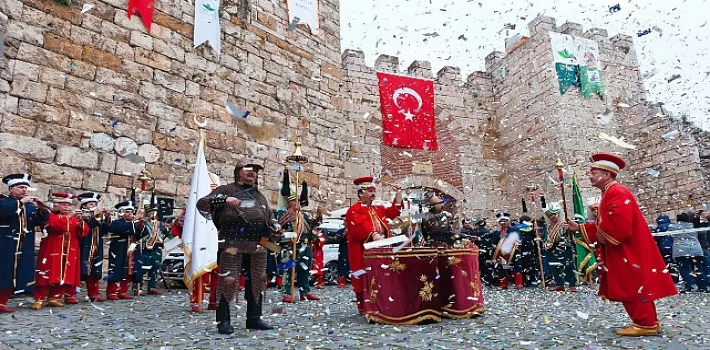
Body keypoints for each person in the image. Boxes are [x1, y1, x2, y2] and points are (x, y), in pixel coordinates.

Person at [566, 153, 677, 336]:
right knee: (634, 283)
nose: (590, 175)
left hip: (626, 249)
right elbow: (606, 223)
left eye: (594, 172)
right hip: (624, 249)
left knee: (631, 284)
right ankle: (649, 322)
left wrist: (600, 234)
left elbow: (619, 225)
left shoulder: (616, 191)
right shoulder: (609, 192)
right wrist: (579, 227)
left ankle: (645, 324)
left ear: (607, 174)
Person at [197, 157, 276, 333]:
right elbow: (201, 204)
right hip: (232, 243)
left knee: (257, 280)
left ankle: (254, 318)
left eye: (255, 169)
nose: (252, 172)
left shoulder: (259, 195)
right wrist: (224, 200)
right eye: (248, 168)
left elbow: (268, 216)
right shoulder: (226, 189)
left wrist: (274, 225)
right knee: (228, 280)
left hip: (257, 244)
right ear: (238, 170)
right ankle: (223, 321)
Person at [345, 176, 402, 314]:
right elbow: (359, 227)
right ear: (361, 192)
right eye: (370, 191)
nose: (373, 194)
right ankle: (365, 307)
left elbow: (394, 211)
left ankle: (382, 305)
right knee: (364, 277)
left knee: (382, 277)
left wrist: (399, 193)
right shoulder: (354, 210)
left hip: (381, 250)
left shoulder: (378, 209)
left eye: (373, 191)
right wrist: (375, 235)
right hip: (363, 252)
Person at [0, 174, 50, 313]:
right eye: (21, 187)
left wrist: (41, 209)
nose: (24, 190)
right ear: (11, 189)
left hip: (24, 244)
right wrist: (21, 202)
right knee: (3, 271)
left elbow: (39, 222)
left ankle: (2, 301)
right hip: (5, 243)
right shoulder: (5, 201)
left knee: (16, 273)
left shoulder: (29, 206)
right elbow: (4, 211)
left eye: (26, 187)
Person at [31, 193, 91, 309]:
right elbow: (55, 227)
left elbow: (83, 233)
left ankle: (55, 297)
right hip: (52, 248)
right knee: (47, 272)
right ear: (56, 205)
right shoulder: (49, 215)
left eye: (69, 205)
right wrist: (69, 217)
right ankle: (39, 298)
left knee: (64, 274)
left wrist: (81, 223)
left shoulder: (73, 218)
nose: (67, 208)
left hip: (70, 250)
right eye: (64, 205)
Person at [275, 194, 320, 303]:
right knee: (288, 269)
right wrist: (291, 212)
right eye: (294, 201)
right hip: (290, 244)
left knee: (304, 268)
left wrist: (318, 216)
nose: (297, 203)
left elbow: (312, 226)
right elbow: (279, 224)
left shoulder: (304, 215)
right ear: (288, 203)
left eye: (298, 201)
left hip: (304, 244)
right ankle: (287, 293)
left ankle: (305, 291)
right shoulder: (282, 213)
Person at [106, 200, 149, 300]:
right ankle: (112, 292)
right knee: (116, 268)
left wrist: (142, 226)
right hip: (119, 249)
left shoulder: (135, 223)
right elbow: (122, 229)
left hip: (133, 247)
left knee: (130, 269)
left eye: (131, 212)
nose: (130, 214)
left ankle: (123, 291)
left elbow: (143, 234)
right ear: (122, 213)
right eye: (127, 212)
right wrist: (135, 222)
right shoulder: (116, 223)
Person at [78, 192, 112, 302]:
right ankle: (71, 295)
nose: (93, 205)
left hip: (97, 245)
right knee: (80, 270)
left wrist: (107, 217)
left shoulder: (98, 216)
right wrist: (97, 216)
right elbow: (87, 226)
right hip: (83, 245)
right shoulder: (80, 215)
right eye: (90, 203)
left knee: (95, 271)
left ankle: (94, 293)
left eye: (94, 203)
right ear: (84, 205)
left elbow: (105, 231)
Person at [542, 205, 577, 292]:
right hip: (552, 249)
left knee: (569, 266)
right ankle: (559, 284)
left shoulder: (564, 224)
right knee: (555, 267)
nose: (553, 216)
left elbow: (570, 235)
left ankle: (572, 285)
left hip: (564, 248)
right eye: (551, 215)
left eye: (555, 214)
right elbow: (545, 238)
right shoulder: (547, 227)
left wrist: (568, 229)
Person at [136, 201, 168, 296]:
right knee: (142, 268)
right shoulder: (143, 223)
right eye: (151, 212)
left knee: (155, 268)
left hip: (156, 248)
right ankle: (138, 287)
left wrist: (166, 231)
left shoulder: (159, 223)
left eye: (154, 212)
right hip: (145, 248)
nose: (153, 214)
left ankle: (152, 287)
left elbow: (163, 235)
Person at [671, 212, 706, 293]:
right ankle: (702, 287)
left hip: (681, 251)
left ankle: (688, 286)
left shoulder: (673, 227)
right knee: (698, 268)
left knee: (684, 269)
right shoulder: (693, 225)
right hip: (696, 249)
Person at [489, 212, 523, 290]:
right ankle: (504, 284)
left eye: (505, 221)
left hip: (514, 252)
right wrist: (495, 246)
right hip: (502, 253)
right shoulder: (498, 232)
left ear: (508, 221)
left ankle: (519, 284)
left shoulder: (514, 230)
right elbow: (494, 242)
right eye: (501, 221)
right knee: (501, 268)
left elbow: (519, 240)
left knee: (517, 267)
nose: (503, 223)